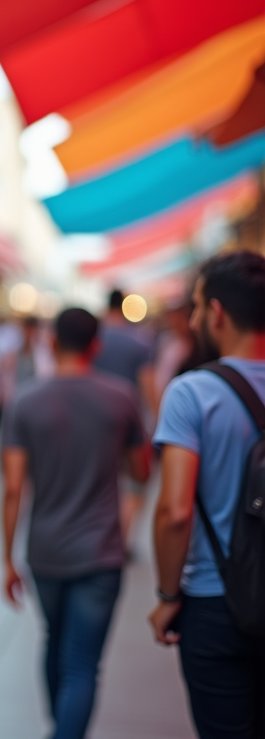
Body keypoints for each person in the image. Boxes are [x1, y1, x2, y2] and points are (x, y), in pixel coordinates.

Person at [2, 308, 150, 739]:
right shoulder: (121, 397)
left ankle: (58, 726)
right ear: (96, 346)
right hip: (101, 550)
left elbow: (13, 488)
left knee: (54, 638)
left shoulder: (26, 400)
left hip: (45, 549)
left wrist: (6, 557)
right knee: (83, 661)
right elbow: (142, 470)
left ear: (51, 343)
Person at [149, 250, 265, 738]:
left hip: (215, 600)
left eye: (196, 307)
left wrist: (168, 594)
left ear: (216, 313)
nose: (193, 319)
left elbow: (176, 512)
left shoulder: (191, 392)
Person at [94, 289, 157, 548]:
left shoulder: (94, 338)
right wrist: (158, 421)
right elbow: (148, 386)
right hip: (131, 421)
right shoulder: (141, 342)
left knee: (101, 480)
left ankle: (102, 534)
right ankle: (122, 536)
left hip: (94, 420)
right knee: (136, 480)